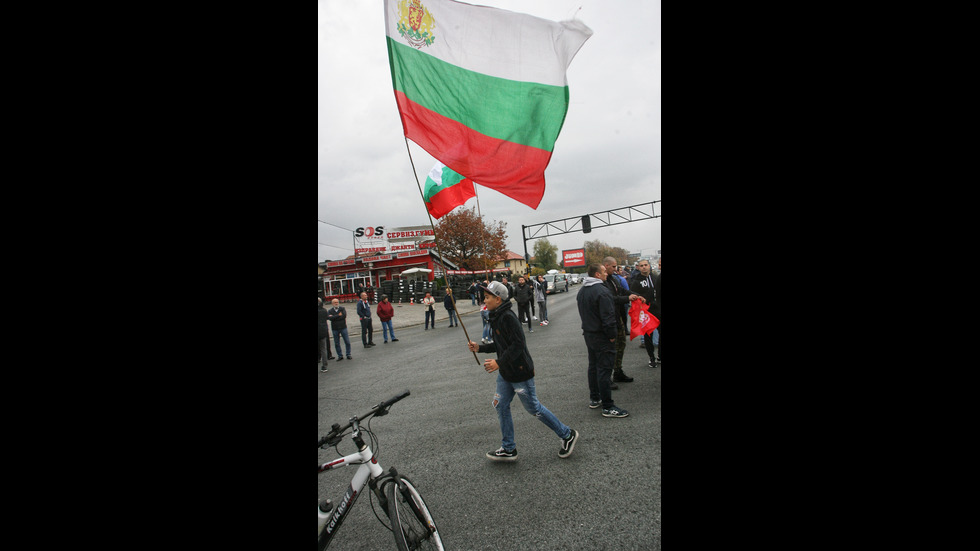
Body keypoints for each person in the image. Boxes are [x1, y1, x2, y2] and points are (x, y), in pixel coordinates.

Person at [468, 281, 579, 460]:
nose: (484, 300)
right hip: (506, 373)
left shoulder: (508, 317)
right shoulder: (496, 315)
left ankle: (567, 434)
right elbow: (500, 344)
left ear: (498, 299)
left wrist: (498, 362)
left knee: (534, 408)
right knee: (500, 405)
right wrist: (479, 348)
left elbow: (518, 345)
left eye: (487, 297)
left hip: (519, 372)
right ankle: (508, 448)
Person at [577, 264, 629, 418]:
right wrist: (612, 334)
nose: (607, 273)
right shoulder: (602, 291)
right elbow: (608, 316)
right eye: (605, 271)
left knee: (593, 367)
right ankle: (608, 406)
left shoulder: (582, 291)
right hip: (602, 336)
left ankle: (595, 398)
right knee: (604, 370)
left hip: (589, 334)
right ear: (597, 275)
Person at [602, 257, 641, 385]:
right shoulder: (602, 282)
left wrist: (635, 295)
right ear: (606, 266)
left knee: (621, 345)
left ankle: (618, 372)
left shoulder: (613, 279)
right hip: (609, 319)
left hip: (618, 317)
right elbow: (610, 299)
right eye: (613, 267)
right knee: (610, 349)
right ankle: (607, 377)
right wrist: (627, 298)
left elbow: (621, 291)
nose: (616, 269)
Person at [630, 259, 659, 368]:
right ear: (638, 267)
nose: (644, 267)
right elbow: (632, 294)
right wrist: (639, 297)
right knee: (648, 336)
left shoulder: (655, 277)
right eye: (641, 265)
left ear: (649, 266)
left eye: (646, 265)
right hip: (646, 311)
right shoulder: (637, 281)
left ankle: (659, 355)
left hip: (658, 309)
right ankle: (651, 357)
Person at [318, 299, 332, 372]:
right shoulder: (324, 310)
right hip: (323, 331)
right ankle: (324, 365)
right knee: (323, 349)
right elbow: (327, 318)